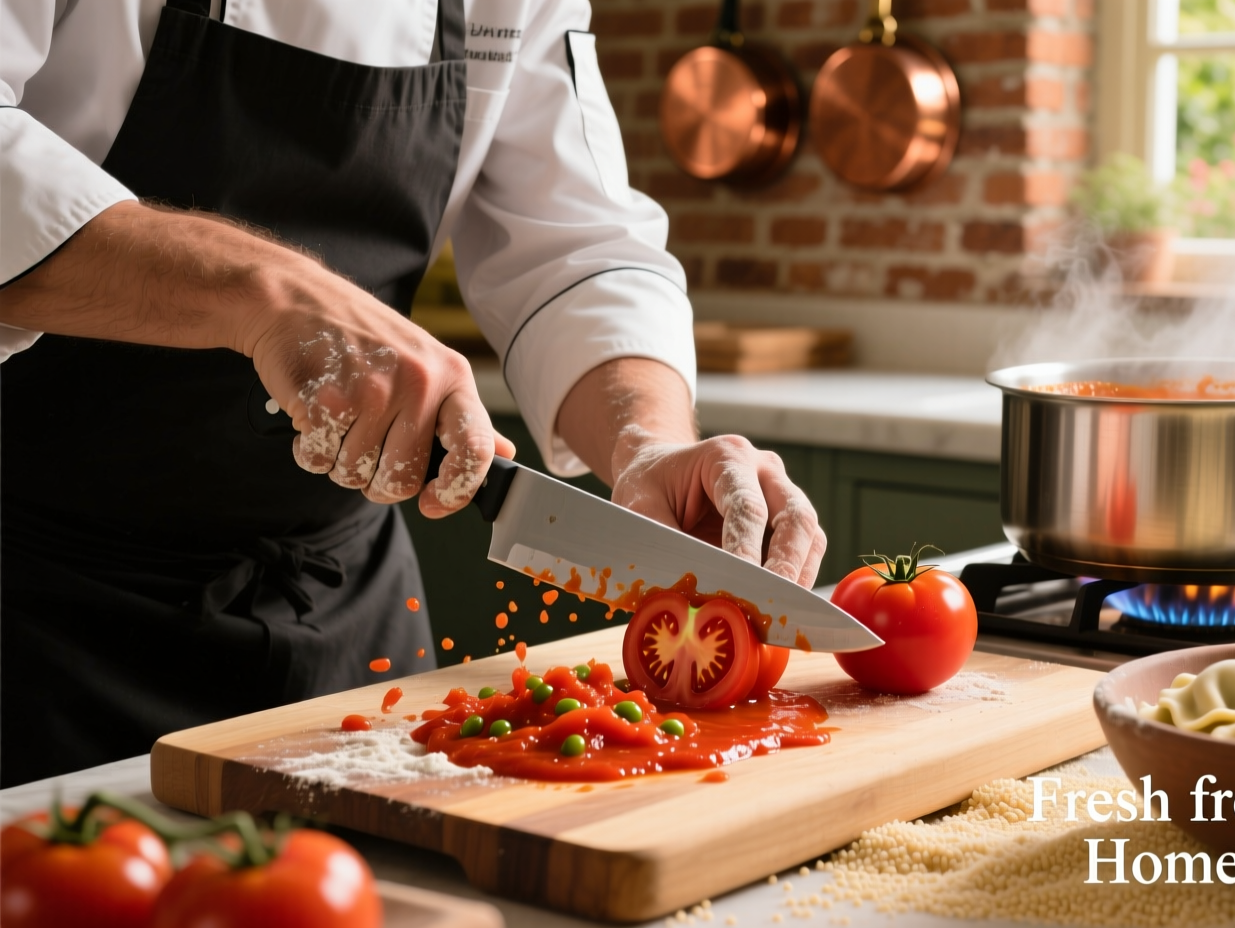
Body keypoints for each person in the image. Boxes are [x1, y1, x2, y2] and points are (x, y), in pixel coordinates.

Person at [0, 0, 826, 786]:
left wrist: (646, 440)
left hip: (344, 618)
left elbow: (575, 246)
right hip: (37, 614)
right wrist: (265, 292)